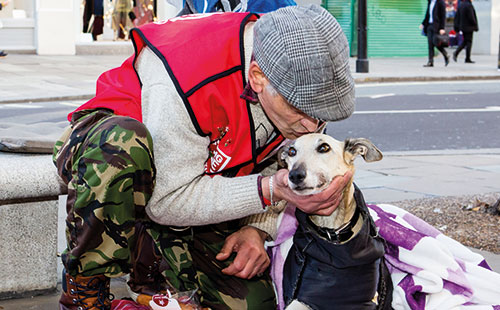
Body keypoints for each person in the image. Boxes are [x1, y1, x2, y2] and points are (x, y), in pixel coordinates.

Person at [53, 4, 355, 310]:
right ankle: (85, 291)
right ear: (258, 78)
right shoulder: (191, 70)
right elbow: (165, 201)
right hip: (116, 155)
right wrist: (269, 190)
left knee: (253, 306)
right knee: (122, 142)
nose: (312, 127)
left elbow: (268, 163)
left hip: (200, 176)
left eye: (320, 115)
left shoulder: (296, 86)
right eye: (302, 111)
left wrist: (256, 227)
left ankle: (154, 268)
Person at [420, 0, 450, 67]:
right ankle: (430, 62)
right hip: (429, 25)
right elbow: (427, 14)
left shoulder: (440, 2)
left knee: (435, 42)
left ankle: (445, 54)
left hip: (437, 26)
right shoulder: (430, 2)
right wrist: (423, 23)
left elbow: (443, 16)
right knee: (430, 44)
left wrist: (442, 28)